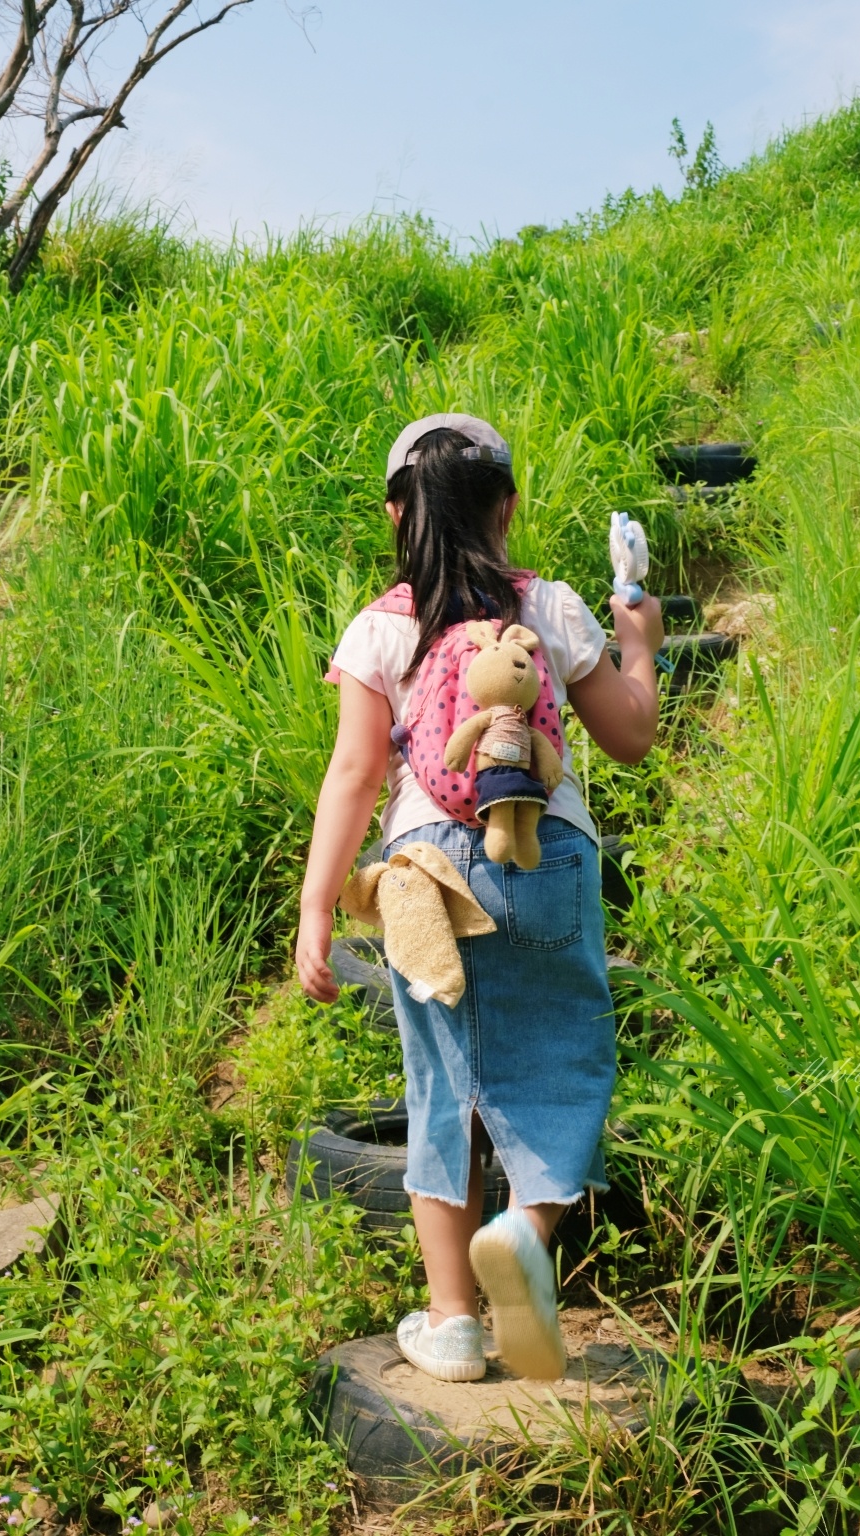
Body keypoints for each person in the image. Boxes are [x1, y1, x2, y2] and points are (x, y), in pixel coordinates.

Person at [296, 413, 663, 1383]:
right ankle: (526, 1228)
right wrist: (640, 646)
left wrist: (317, 908)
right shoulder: (549, 609)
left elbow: (351, 771)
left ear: (393, 516)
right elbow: (630, 736)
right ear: (508, 507)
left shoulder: (379, 628)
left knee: (441, 1085)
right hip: (546, 857)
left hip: (425, 876)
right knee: (561, 1061)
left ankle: (452, 1320)